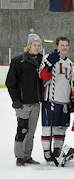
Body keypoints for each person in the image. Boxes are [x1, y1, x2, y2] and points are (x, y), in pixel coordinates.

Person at [8, 33, 43, 166]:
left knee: (31, 132)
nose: (37, 47)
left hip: (36, 102)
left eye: (39, 45)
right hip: (23, 104)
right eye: (34, 45)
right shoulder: (18, 61)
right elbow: (10, 82)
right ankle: (19, 157)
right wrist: (16, 100)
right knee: (22, 129)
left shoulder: (41, 61)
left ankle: (27, 156)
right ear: (29, 46)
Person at [39, 36, 74, 166]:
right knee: (48, 128)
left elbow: (71, 82)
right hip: (51, 99)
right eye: (62, 45)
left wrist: (72, 98)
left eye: (66, 45)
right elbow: (42, 77)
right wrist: (48, 66)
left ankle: (57, 150)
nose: (64, 48)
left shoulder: (70, 63)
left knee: (61, 128)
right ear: (56, 46)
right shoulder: (48, 58)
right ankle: (47, 151)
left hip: (64, 100)